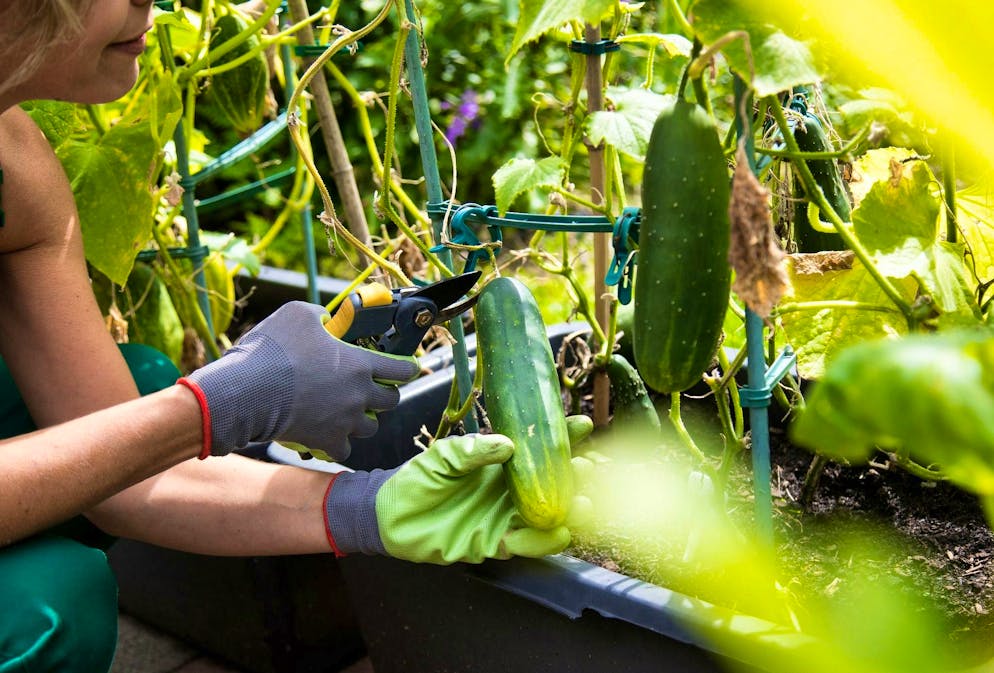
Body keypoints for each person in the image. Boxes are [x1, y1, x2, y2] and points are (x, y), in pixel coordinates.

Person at [0, 2, 581, 671]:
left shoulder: (15, 163)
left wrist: (364, 506)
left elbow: (131, 483)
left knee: (141, 390)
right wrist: (209, 408)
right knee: (46, 610)